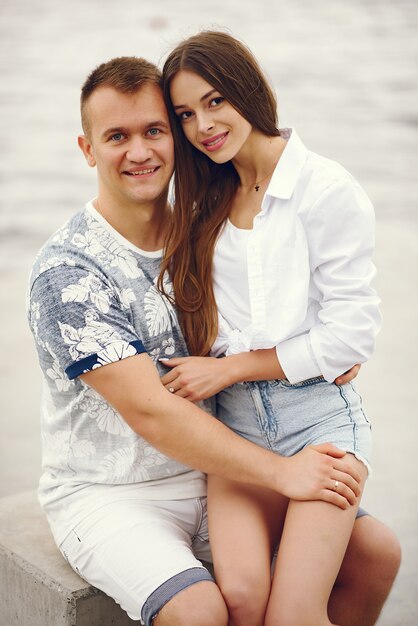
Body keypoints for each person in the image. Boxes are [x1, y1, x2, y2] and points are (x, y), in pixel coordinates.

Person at [27, 56, 399, 626]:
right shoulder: (69, 272)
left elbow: (299, 306)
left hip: (215, 464)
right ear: (87, 149)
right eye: (116, 137)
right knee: (203, 611)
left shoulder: (206, 230)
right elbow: (153, 412)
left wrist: (324, 354)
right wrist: (283, 472)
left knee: (376, 556)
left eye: (155, 131)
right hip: (115, 492)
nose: (140, 151)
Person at [159, 31, 400, 626]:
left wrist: (234, 367)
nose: (203, 126)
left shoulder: (326, 189)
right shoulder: (204, 199)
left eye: (215, 101)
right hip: (236, 429)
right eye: (186, 114)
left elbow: (349, 336)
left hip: (317, 421)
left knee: (294, 612)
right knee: (240, 599)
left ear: (248, 89)